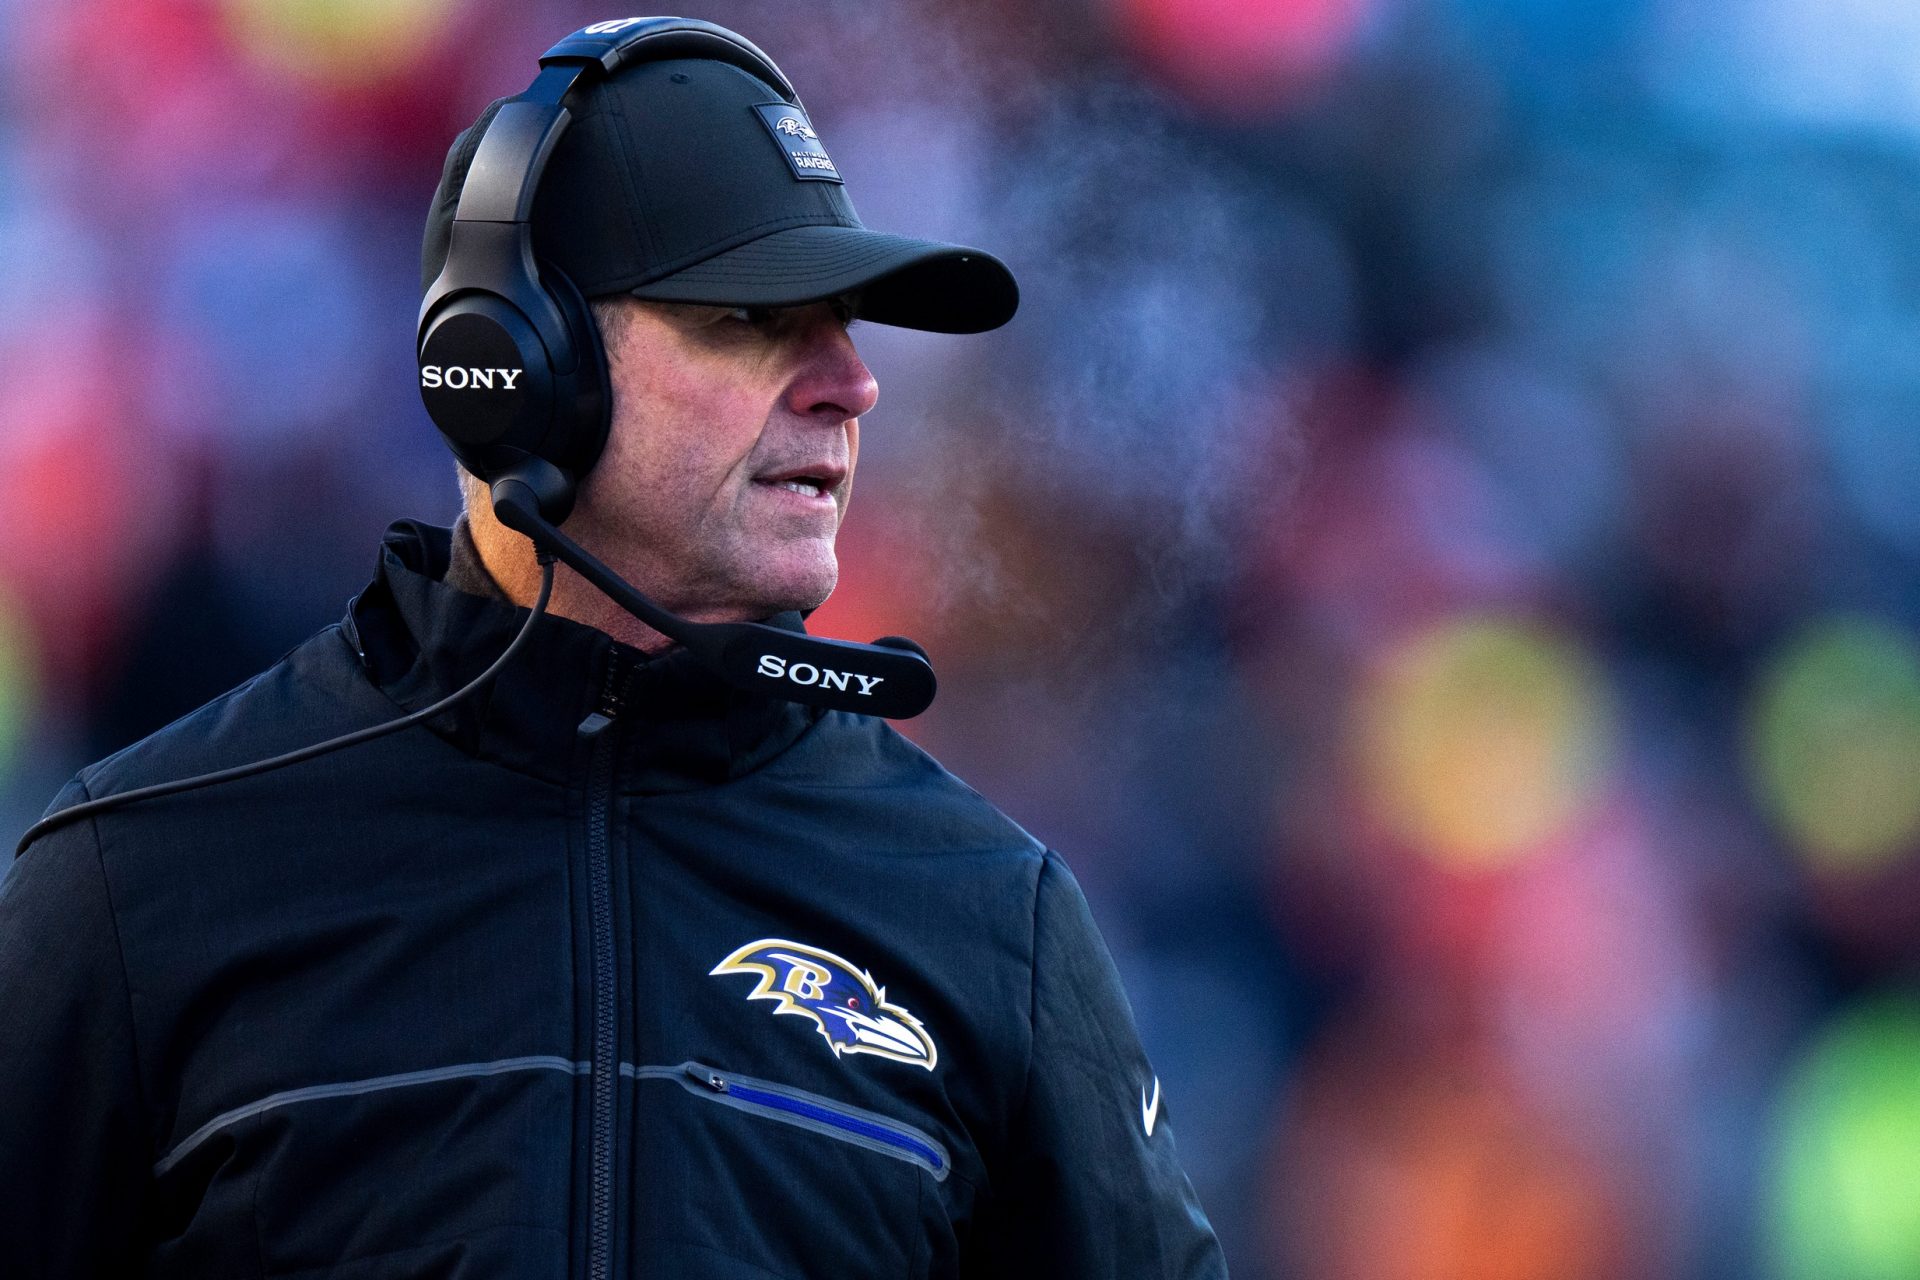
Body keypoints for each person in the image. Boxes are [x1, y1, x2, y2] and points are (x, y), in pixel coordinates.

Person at [0, 17, 1228, 1278]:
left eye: (847, 325)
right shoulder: (142, 876)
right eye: (754, 317)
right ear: (515, 364)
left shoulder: (988, 916)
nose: (851, 385)